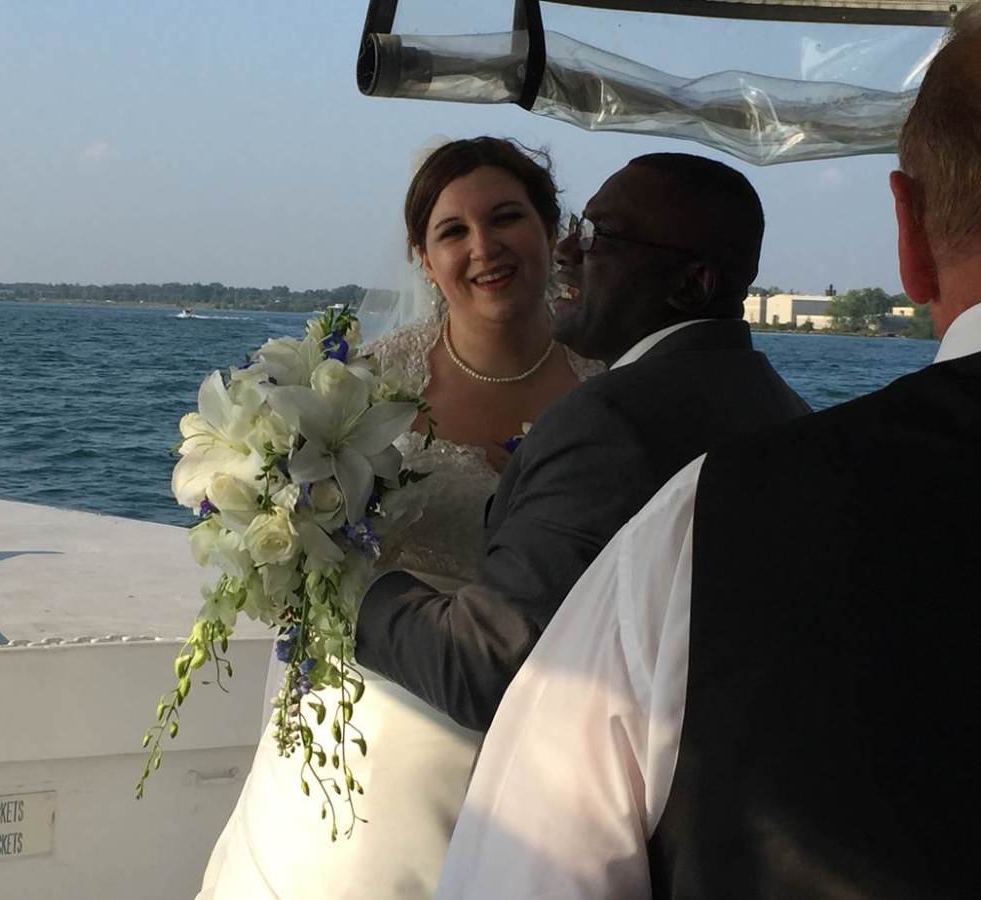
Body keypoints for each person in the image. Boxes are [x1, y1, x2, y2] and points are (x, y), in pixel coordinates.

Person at [437, 7, 981, 898]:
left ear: (909, 237)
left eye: (598, 237)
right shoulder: (763, 427)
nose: (572, 252)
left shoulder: (703, 521)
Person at [197, 137, 603, 899]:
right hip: (371, 698)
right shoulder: (369, 381)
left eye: (507, 218)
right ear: (424, 257)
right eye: (453, 232)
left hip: (540, 714)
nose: (484, 247)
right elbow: (308, 538)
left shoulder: (605, 398)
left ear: (550, 232)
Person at [355, 152, 811, 732]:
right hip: (406, 709)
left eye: (600, 237)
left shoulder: (606, 414)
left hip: (534, 733)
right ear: (424, 259)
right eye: (452, 231)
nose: (575, 251)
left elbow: (487, 665)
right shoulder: (787, 412)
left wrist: (350, 594)